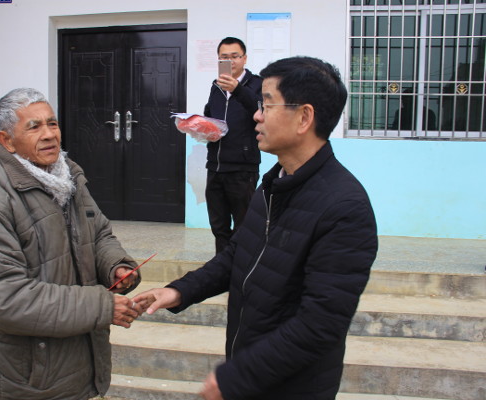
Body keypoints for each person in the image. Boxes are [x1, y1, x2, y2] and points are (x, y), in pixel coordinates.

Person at [133, 57, 378, 400]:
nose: (256, 116)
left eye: (266, 104)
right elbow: (239, 254)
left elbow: (319, 324)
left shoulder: (344, 208)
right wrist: (179, 291)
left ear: (304, 117)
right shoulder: (274, 184)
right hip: (249, 373)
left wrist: (239, 376)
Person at [0, 88, 143, 400]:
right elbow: (3, 297)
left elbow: (98, 232)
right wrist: (101, 306)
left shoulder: (66, 175)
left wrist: (115, 266)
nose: (49, 134)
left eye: (52, 123)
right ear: (7, 140)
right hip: (34, 374)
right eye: (34, 127)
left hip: (81, 357)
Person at [204, 37, 262, 254]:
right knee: (218, 227)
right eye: (224, 58)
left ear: (244, 58)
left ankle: (240, 268)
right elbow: (210, 114)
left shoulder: (257, 84)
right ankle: (222, 267)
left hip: (242, 168)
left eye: (234, 57)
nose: (230, 61)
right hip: (215, 166)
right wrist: (201, 127)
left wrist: (237, 89)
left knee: (243, 226)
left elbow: (261, 112)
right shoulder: (216, 86)